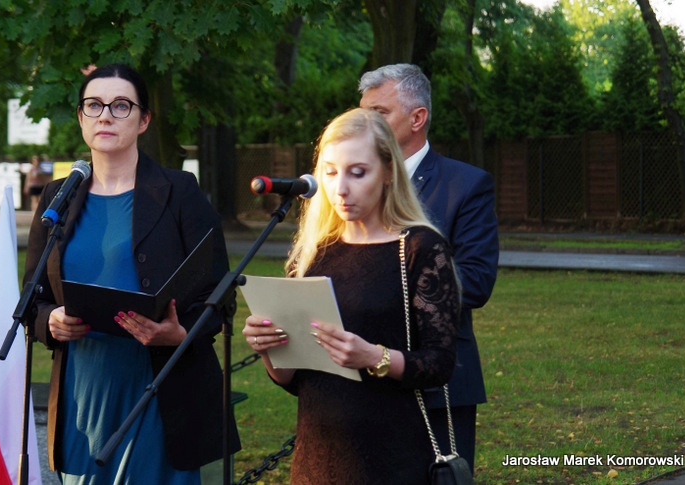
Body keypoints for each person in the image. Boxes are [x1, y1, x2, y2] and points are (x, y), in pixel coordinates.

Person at [24, 63, 240, 484]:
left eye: (120, 105)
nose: (105, 115)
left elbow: (221, 291)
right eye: (94, 105)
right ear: (81, 117)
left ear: (143, 120)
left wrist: (182, 333)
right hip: (83, 392)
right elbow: (32, 297)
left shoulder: (180, 191)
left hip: (162, 391)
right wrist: (49, 320)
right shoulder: (57, 197)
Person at [243, 108, 461, 484]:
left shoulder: (419, 249)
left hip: (392, 458)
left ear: (389, 172)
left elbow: (440, 364)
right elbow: (294, 380)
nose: (340, 188)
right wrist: (268, 348)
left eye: (357, 173)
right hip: (316, 458)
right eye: (330, 172)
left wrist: (373, 357)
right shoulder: (315, 251)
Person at [359, 63, 499, 474]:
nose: (366, 123)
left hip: (438, 382)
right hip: (356, 377)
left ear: (417, 118)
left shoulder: (466, 185)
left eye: (379, 113)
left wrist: (389, 282)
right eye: (363, 113)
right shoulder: (349, 184)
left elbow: (475, 281)